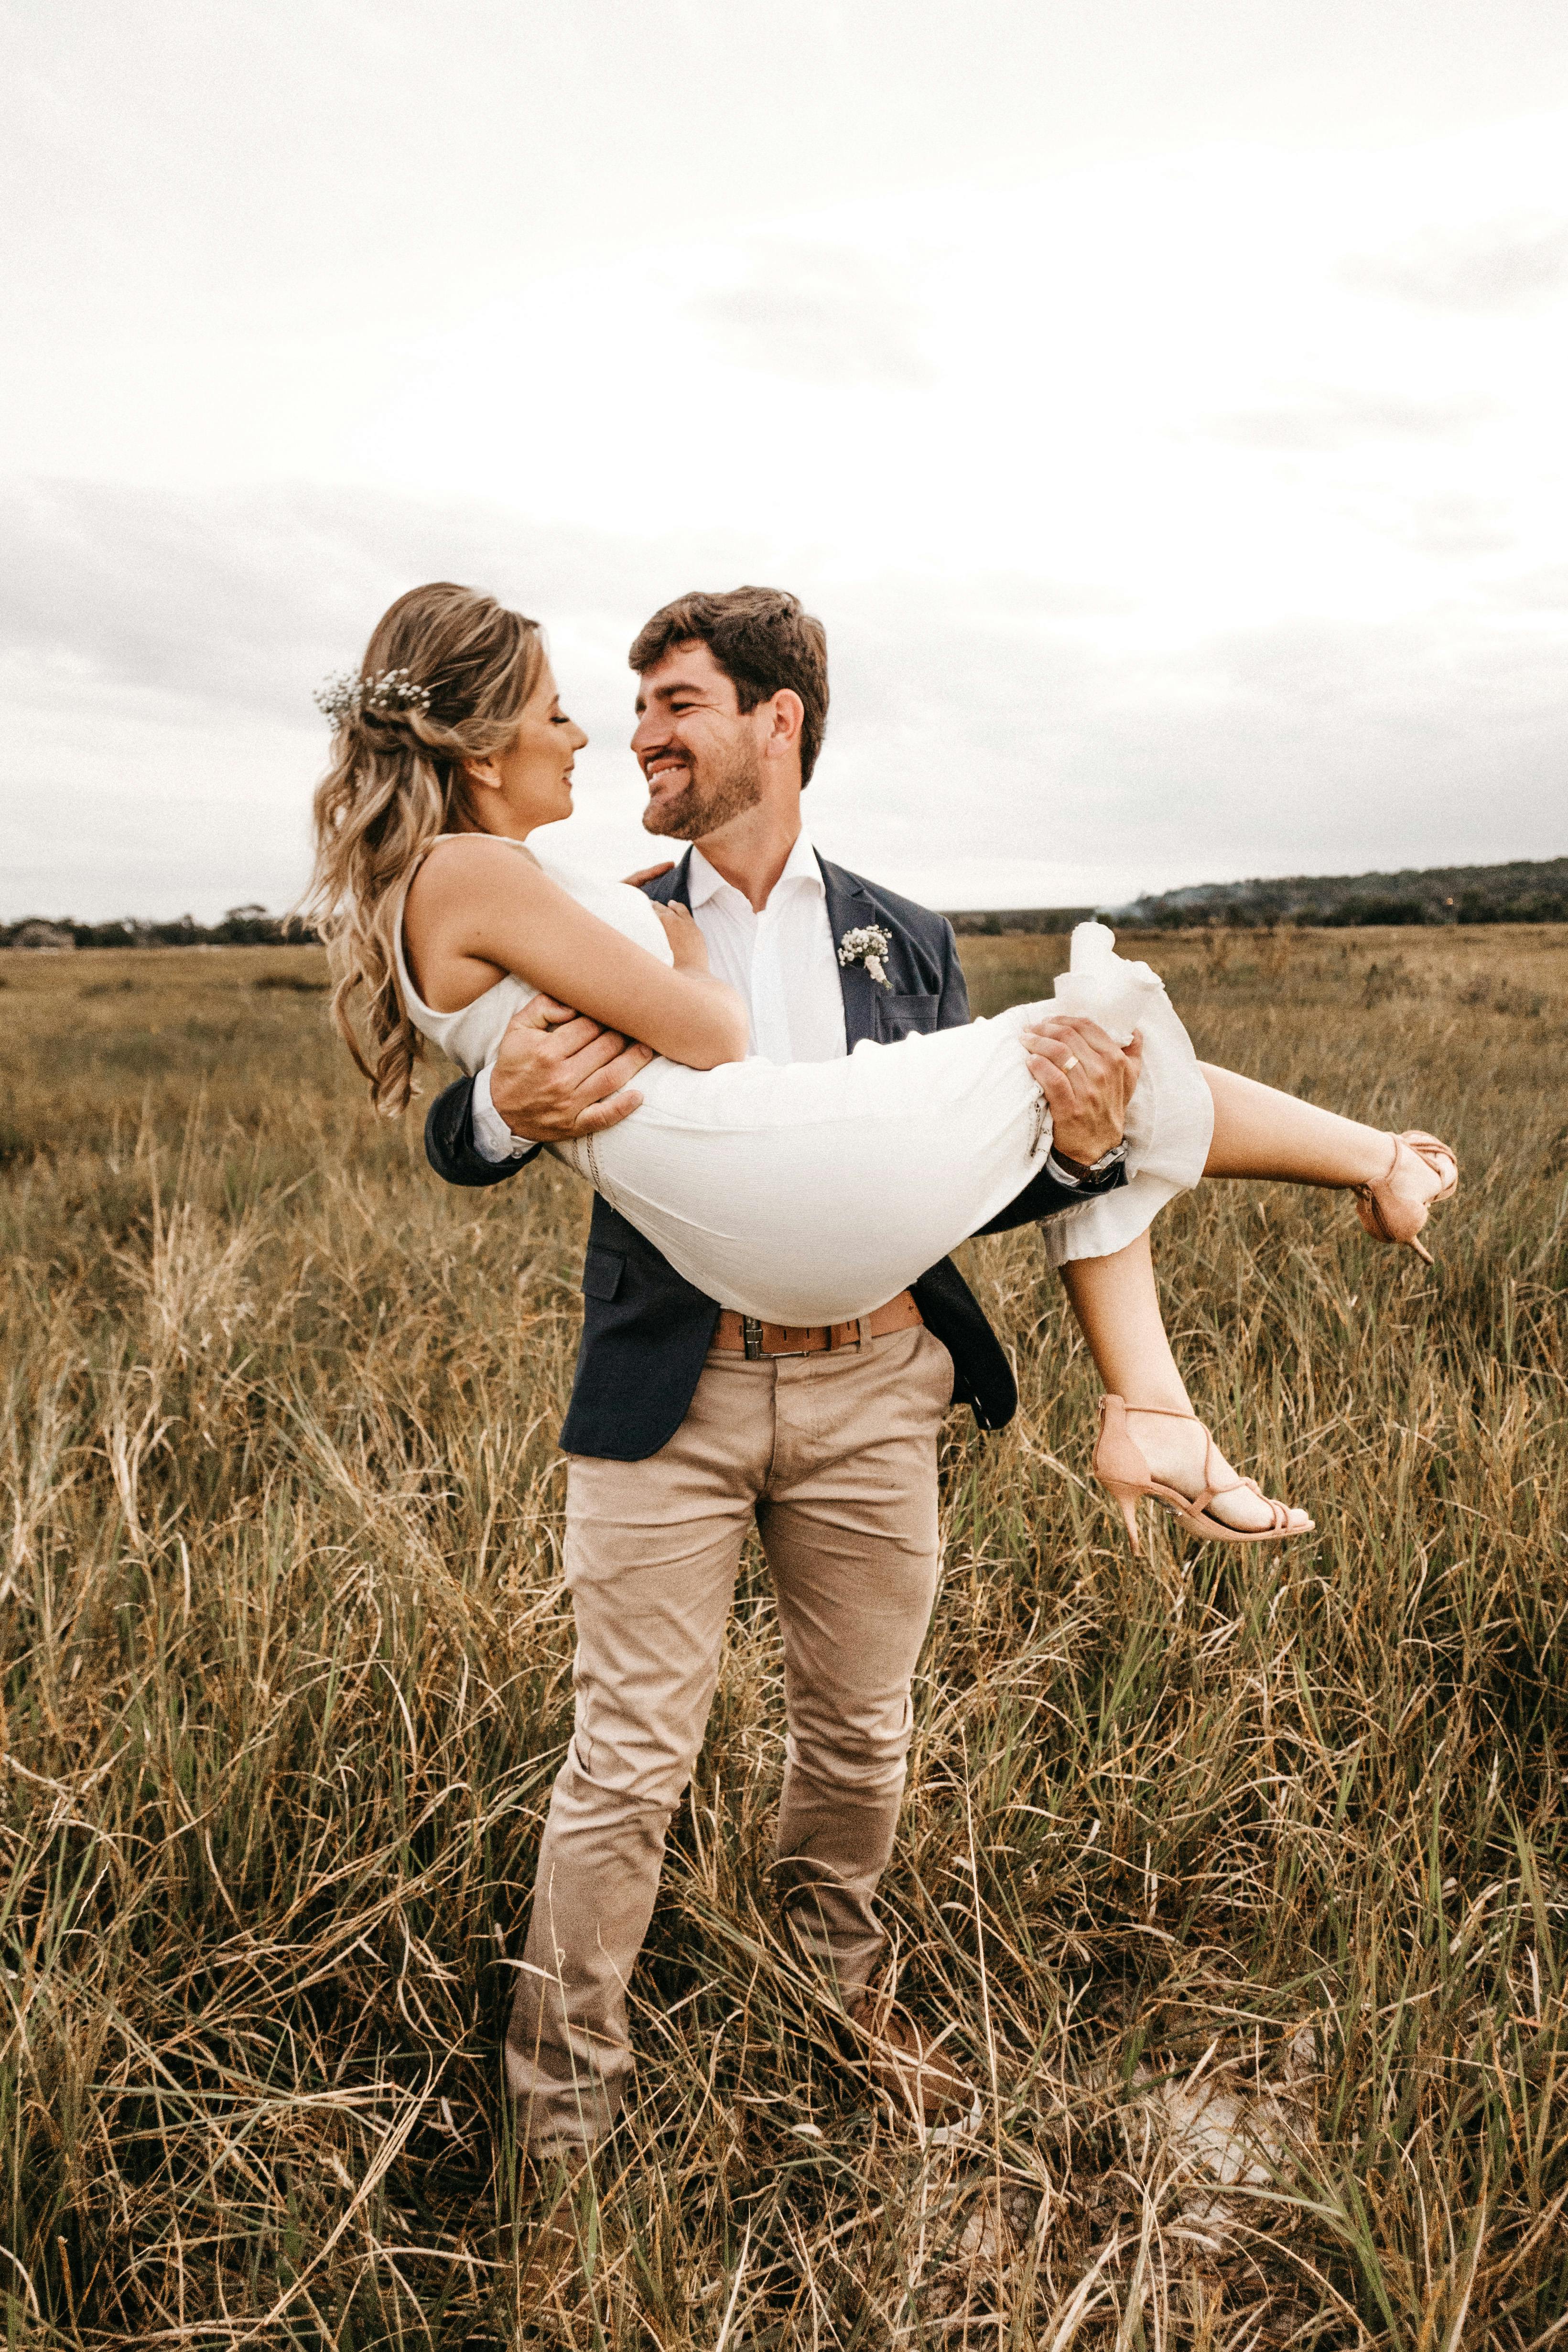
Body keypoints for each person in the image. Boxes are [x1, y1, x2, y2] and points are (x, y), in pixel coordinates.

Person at [306, 580, 1456, 2161]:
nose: (628, 732)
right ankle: (559, 2113)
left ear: (777, 726)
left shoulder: (902, 935)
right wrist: (499, 1105)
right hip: (675, 1387)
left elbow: (968, 1174)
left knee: (861, 1733)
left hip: (872, 1373)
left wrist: (1076, 1136)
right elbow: (478, 1117)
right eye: (608, 704)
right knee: (626, 1756)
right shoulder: (591, 904)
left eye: (672, 706)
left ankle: (836, 1998)